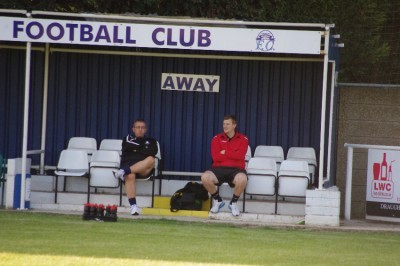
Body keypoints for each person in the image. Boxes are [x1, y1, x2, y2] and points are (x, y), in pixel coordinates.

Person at [201, 114, 248, 216]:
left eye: (228, 124)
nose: (225, 126)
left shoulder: (243, 139)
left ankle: (233, 203)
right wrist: (232, 153)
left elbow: (240, 156)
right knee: (205, 177)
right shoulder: (216, 138)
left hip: (236, 169)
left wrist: (225, 152)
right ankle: (218, 200)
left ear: (234, 125)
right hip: (218, 168)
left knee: (243, 179)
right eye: (224, 124)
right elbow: (216, 157)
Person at [113, 119, 158, 215]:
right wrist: (143, 148)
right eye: (138, 127)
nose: (140, 130)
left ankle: (123, 171)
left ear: (145, 130)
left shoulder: (152, 141)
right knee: (130, 175)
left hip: (144, 170)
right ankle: (133, 207)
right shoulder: (127, 139)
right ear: (133, 129)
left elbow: (152, 152)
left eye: (143, 127)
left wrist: (136, 149)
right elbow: (130, 146)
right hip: (130, 167)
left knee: (151, 159)